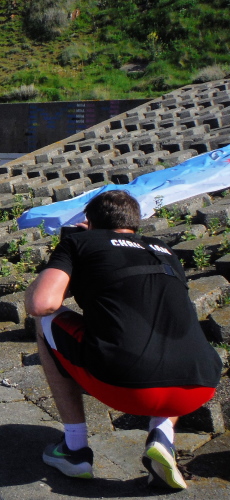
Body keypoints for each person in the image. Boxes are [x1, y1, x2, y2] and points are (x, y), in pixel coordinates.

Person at [24, 190, 222, 489]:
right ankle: (162, 437)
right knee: (165, 337)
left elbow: (42, 303)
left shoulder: (80, 242)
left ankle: (74, 449)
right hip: (199, 385)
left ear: (90, 222)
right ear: (135, 222)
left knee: (45, 321)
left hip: (126, 387)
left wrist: (69, 250)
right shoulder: (163, 250)